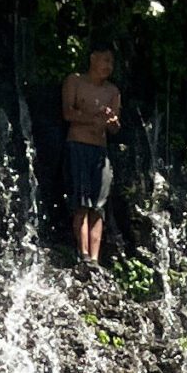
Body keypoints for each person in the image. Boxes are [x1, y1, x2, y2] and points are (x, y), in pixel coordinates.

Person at [61, 49, 121, 265]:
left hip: (100, 151)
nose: (108, 66)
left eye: (111, 62)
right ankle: (83, 254)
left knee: (98, 206)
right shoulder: (75, 81)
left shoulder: (112, 91)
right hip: (78, 145)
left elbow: (114, 127)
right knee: (81, 203)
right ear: (93, 58)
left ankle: (94, 259)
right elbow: (68, 113)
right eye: (105, 60)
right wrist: (93, 118)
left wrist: (112, 122)